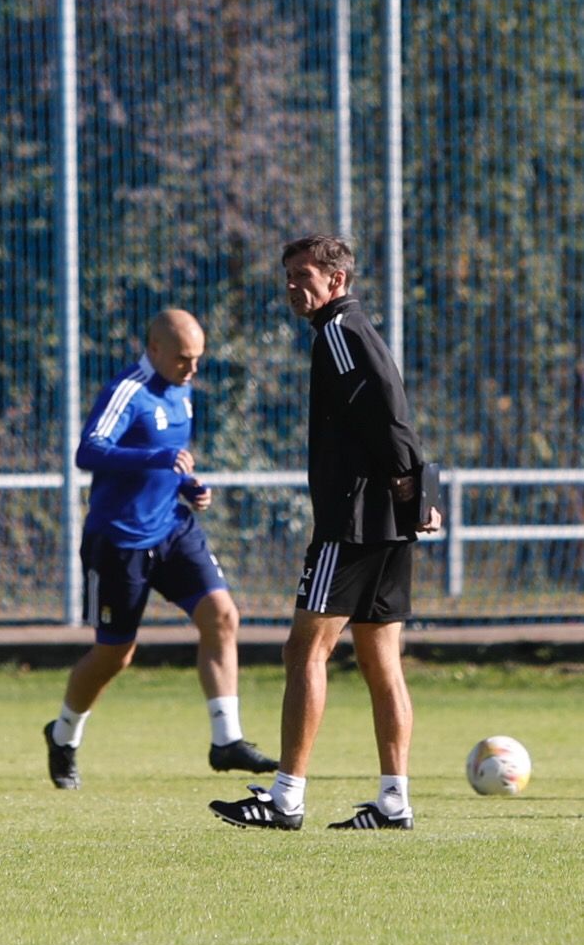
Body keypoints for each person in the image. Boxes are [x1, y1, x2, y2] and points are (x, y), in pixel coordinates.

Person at [210, 235, 439, 832]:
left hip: (354, 519)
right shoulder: (355, 329)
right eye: (287, 275)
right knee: (379, 657)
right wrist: (414, 486)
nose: (292, 287)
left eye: (303, 275)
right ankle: (395, 800)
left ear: (336, 280)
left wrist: (408, 481)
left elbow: (384, 409)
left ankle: (285, 799)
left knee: (304, 650)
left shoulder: (339, 331)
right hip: (385, 518)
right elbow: (395, 409)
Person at [44, 310, 277, 788]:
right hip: (120, 541)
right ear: (153, 349)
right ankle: (63, 735)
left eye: (197, 359)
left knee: (222, 616)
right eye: (183, 359)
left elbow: (170, 462)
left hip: (173, 528)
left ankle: (226, 740)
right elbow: (88, 451)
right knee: (115, 655)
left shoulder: (182, 387)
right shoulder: (127, 390)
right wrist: (157, 459)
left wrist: (188, 486)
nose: (192, 369)